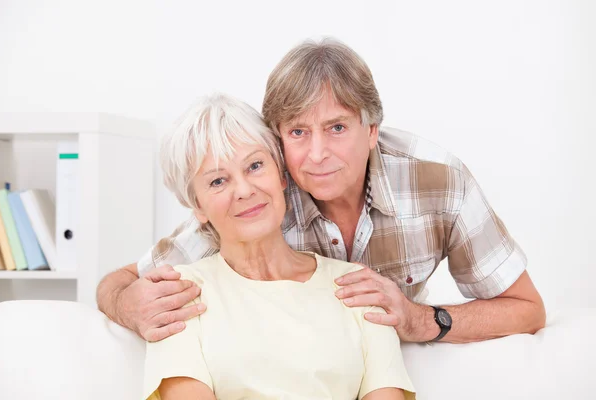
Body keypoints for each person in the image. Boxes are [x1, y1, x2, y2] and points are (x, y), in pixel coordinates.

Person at [97, 38, 545, 345]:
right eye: (297, 132)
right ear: (277, 137)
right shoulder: (258, 199)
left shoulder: (439, 182)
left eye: (336, 127)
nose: (316, 154)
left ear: (371, 130)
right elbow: (119, 283)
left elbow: (527, 309)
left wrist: (418, 320)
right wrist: (127, 306)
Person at [142, 93, 415, 400]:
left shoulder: (359, 288)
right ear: (198, 207)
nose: (244, 190)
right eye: (218, 181)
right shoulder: (179, 297)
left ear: (281, 175)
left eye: (255, 166)